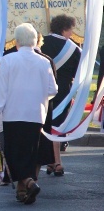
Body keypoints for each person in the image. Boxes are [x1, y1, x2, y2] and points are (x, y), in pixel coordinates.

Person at [0, 23, 58, 205]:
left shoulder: (8, 60)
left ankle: (28, 182)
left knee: (13, 153)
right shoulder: (44, 61)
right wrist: (40, 97)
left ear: (17, 41)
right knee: (29, 152)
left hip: (13, 113)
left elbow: (1, 90)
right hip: (36, 114)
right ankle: (22, 188)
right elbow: (53, 89)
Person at [40, 14, 80, 170]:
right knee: (57, 127)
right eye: (70, 30)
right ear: (64, 30)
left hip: (43, 91)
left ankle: (50, 161)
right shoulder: (74, 48)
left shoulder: (41, 43)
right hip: (63, 93)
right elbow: (78, 73)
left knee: (45, 126)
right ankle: (57, 162)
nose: (71, 33)